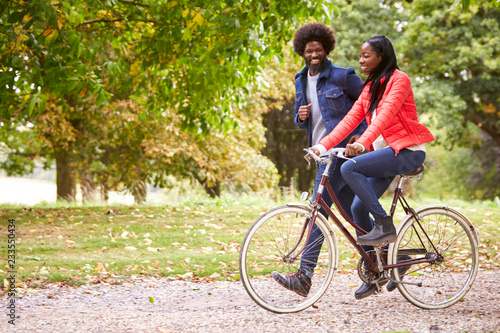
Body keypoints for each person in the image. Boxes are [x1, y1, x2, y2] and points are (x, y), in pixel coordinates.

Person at [310, 35, 435, 299]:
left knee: (349, 168)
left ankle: (384, 224)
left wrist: (363, 143)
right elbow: (349, 120)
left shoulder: (399, 81)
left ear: (382, 55)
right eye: (360, 55)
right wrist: (320, 148)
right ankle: (377, 267)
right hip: (387, 152)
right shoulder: (370, 88)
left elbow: (386, 116)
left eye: (366, 55)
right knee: (356, 208)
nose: (361, 60)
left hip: (407, 151)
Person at [272, 23, 366, 297]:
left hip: (342, 154)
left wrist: (358, 137)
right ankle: (381, 260)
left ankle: (304, 276)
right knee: (352, 213)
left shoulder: (342, 75)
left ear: (326, 49)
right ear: (302, 51)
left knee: (318, 211)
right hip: (321, 155)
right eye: (309, 49)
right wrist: (299, 117)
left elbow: (369, 106)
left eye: (318, 49)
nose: (314, 53)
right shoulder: (300, 79)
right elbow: (304, 122)